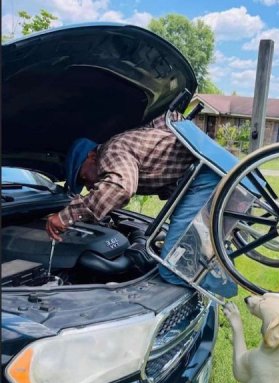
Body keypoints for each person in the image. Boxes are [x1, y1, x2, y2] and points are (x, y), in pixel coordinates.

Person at [46, 114, 237, 298]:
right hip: (210, 174)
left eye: (84, 177)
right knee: (204, 248)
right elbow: (168, 120)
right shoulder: (125, 143)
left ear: (91, 156)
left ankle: (221, 288)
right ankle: (221, 276)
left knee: (172, 268)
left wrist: (65, 216)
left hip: (204, 179)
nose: (88, 186)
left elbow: (120, 188)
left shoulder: (111, 151)